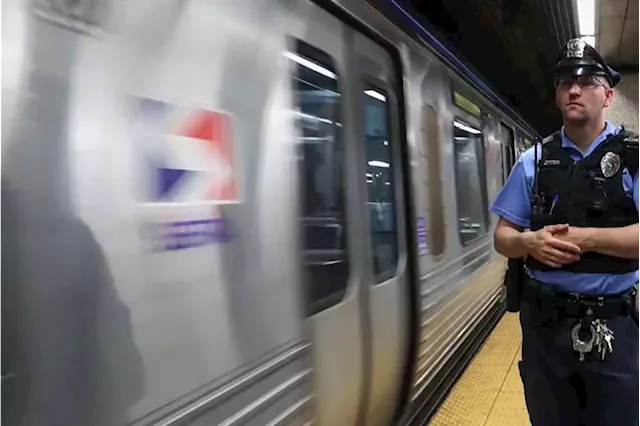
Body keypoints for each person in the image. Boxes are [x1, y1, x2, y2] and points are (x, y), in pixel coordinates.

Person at [490, 37, 640, 426]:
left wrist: (584, 238)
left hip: (617, 329)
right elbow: (502, 237)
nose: (574, 89)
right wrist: (528, 242)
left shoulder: (633, 160)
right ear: (557, 96)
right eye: (564, 82)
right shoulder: (533, 162)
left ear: (607, 96)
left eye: (587, 81)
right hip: (546, 329)